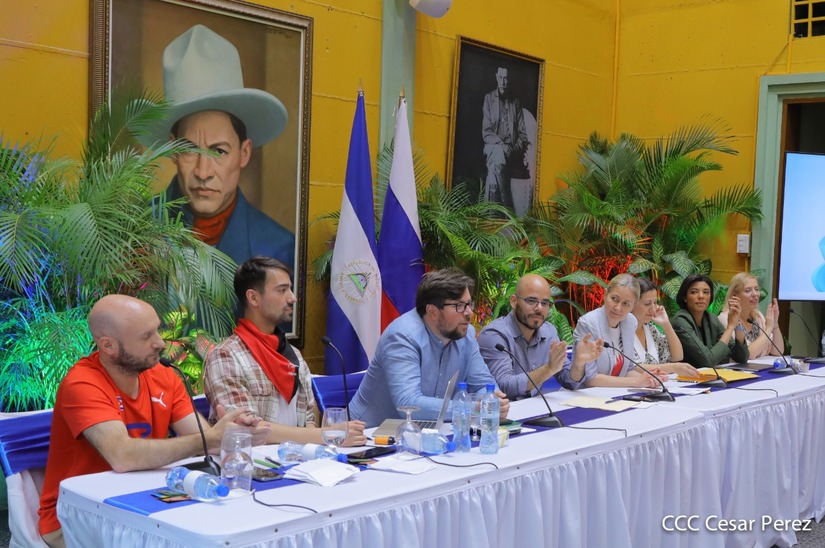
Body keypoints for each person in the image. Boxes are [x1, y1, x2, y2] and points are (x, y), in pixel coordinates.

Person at [37, 295, 266, 548]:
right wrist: (211, 438)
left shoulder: (163, 375)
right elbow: (122, 456)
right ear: (108, 345)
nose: (160, 343)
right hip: (77, 515)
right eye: (146, 336)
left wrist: (232, 432)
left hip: (146, 501)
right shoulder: (82, 383)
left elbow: (206, 441)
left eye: (157, 330)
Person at [138, 24, 294, 268]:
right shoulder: (131, 230)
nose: (203, 172)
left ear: (244, 153)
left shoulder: (279, 248)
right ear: (172, 150)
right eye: (189, 150)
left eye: (219, 151)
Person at [204, 257, 365, 445]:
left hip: (298, 458)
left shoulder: (292, 354)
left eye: (290, 289)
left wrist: (319, 443)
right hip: (251, 460)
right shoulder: (226, 356)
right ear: (253, 298)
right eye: (282, 290)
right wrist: (326, 436)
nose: (292, 298)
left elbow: (309, 419)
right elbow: (245, 430)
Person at [348, 269, 510, 427]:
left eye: (469, 304)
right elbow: (408, 404)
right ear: (432, 311)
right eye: (459, 306)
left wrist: (491, 400)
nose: (469, 313)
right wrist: (472, 408)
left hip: (427, 430)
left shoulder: (465, 335)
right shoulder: (402, 337)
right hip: (369, 433)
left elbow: (483, 385)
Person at [477, 274, 603, 399]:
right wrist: (548, 369)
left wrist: (579, 364)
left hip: (536, 408)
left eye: (545, 303)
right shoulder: (494, 335)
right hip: (503, 410)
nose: (539, 308)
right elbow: (503, 387)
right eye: (531, 301)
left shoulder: (548, 332)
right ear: (514, 301)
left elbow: (568, 381)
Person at [559, 274, 666, 389]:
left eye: (626, 303)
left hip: (614, 394)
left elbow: (628, 370)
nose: (618, 308)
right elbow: (590, 378)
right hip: (587, 394)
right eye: (614, 299)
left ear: (634, 306)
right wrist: (637, 381)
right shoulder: (588, 323)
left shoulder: (630, 322)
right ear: (605, 294)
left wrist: (648, 378)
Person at [671, 274, 749, 368]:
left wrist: (737, 324)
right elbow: (708, 361)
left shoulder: (711, 319)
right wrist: (730, 327)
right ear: (684, 297)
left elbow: (741, 357)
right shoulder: (680, 322)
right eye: (694, 292)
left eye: (706, 292)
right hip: (686, 376)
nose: (701, 296)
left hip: (708, 374)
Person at [482, 66, 529, 209]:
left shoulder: (515, 102)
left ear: (509, 79)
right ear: (496, 77)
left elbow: (523, 135)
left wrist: (513, 150)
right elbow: (486, 132)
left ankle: (491, 213)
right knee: (498, 152)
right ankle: (507, 206)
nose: (503, 82)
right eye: (500, 77)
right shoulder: (489, 98)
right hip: (492, 146)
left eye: (506, 78)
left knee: (493, 173)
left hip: (511, 152)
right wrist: (502, 146)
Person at [632, 278, 700, 377]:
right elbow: (633, 367)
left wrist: (666, 325)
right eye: (647, 304)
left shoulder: (650, 329)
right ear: (631, 304)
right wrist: (672, 367)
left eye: (655, 302)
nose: (653, 308)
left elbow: (677, 356)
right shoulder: (622, 330)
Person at [717, 272, 784, 359]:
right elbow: (748, 354)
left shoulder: (758, 317)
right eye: (748, 290)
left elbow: (777, 351)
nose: (755, 294)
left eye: (756, 289)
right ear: (735, 295)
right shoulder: (726, 318)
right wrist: (768, 328)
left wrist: (774, 324)